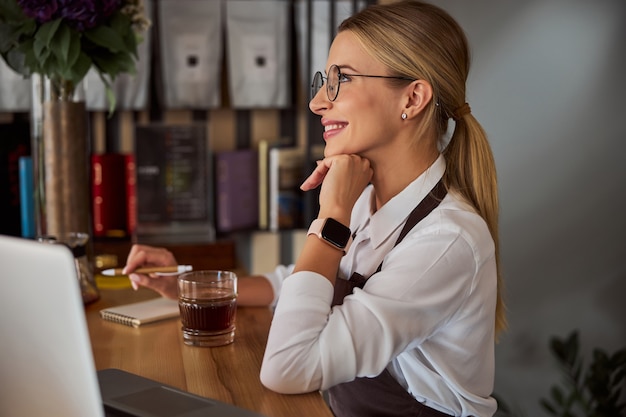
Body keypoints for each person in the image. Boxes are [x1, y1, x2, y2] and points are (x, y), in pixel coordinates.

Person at [122, 1, 505, 415]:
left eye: (342, 80)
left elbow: (288, 367)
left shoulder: (445, 241)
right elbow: (299, 283)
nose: (318, 102)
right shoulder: (369, 196)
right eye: (325, 81)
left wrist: (332, 217)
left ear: (412, 97)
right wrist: (191, 285)